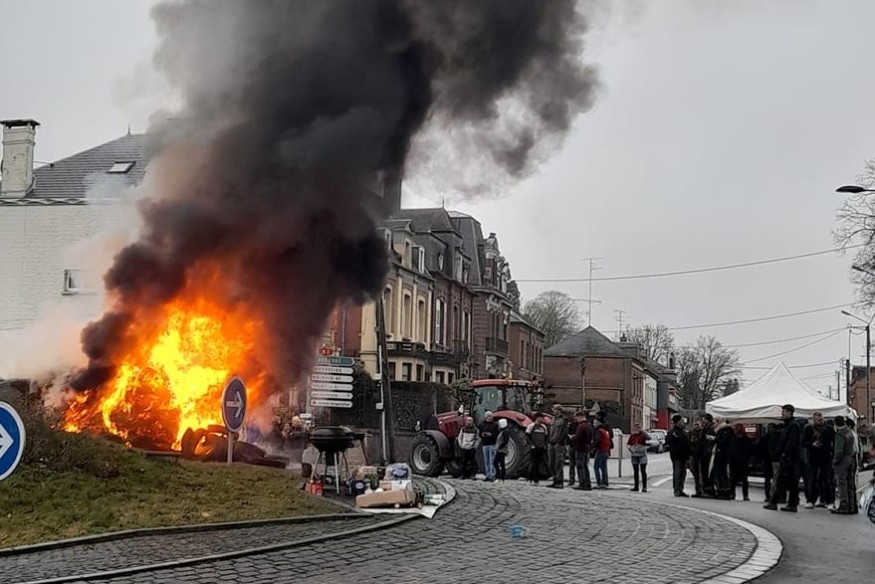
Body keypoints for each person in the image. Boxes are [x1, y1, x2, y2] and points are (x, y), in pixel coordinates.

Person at [764, 404, 802, 512]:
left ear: (790, 412)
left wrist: (785, 454)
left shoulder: (792, 425)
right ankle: (784, 503)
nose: (782, 414)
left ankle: (779, 503)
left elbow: (791, 442)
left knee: (786, 481)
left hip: (789, 458)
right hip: (788, 457)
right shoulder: (788, 425)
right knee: (786, 481)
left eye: (784, 412)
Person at [802, 412, 834, 509]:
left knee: (826, 479)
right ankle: (811, 500)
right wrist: (812, 444)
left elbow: (833, 441)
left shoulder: (829, 429)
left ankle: (829, 501)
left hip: (825, 456)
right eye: (818, 419)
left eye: (821, 419)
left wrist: (830, 450)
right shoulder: (808, 429)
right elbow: (803, 442)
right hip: (813, 456)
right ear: (814, 420)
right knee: (813, 478)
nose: (821, 421)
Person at [832, 415, 857, 514]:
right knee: (851, 484)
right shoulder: (849, 432)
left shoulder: (840, 434)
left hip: (842, 461)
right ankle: (852, 506)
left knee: (842, 484)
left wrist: (834, 461)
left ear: (835, 424)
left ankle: (844, 505)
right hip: (851, 458)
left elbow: (839, 451)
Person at [666, 414, 691, 497]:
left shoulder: (683, 431)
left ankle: (681, 489)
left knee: (683, 473)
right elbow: (669, 444)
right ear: (677, 422)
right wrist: (676, 449)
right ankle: (677, 489)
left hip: (684, 455)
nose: (683, 422)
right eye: (682, 421)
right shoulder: (673, 432)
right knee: (678, 472)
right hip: (677, 456)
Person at [693, 414, 717, 498]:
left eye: (705, 419)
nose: (703, 421)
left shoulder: (710, 430)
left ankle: (710, 491)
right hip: (702, 455)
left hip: (707, 455)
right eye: (702, 419)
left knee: (707, 474)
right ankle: (705, 490)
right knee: (703, 473)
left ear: (709, 420)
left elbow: (710, 443)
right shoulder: (705, 429)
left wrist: (707, 452)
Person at [729, 423, 754, 501]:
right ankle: (732, 494)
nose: (737, 430)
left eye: (739, 428)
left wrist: (750, 461)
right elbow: (729, 450)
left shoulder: (746, 439)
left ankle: (745, 495)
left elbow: (751, 451)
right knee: (732, 479)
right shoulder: (732, 438)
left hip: (744, 462)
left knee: (744, 479)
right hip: (733, 461)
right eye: (736, 428)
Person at [547, 405, 569, 488]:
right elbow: (549, 431)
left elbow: (564, 432)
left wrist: (559, 442)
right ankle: (554, 479)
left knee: (558, 463)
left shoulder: (563, 420)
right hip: (551, 443)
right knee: (551, 463)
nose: (554, 411)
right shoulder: (552, 419)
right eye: (553, 409)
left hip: (558, 445)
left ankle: (559, 481)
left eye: (555, 409)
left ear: (559, 410)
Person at [570, 411, 593, 490]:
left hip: (580, 448)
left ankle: (582, 484)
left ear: (580, 416)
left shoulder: (581, 426)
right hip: (586, 447)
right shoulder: (589, 425)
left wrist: (572, 438)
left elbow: (578, 437)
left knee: (580, 466)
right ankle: (587, 484)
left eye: (576, 417)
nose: (576, 419)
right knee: (585, 466)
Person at [713, 418, 734, 499]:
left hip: (723, 455)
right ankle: (722, 490)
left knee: (723, 474)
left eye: (717, 421)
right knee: (720, 474)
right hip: (720, 455)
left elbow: (724, 442)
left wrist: (714, 439)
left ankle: (725, 491)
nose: (715, 423)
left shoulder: (726, 431)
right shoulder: (720, 430)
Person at [525, 413, 548, 485]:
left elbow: (546, 437)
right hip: (534, 447)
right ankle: (529, 479)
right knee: (532, 463)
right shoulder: (531, 426)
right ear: (537, 418)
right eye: (541, 417)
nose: (542, 419)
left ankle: (536, 480)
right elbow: (527, 436)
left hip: (541, 448)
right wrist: (531, 444)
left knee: (538, 464)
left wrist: (544, 445)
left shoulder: (544, 427)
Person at [478, 411, 500, 482]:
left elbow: (497, 434)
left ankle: (492, 475)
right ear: (485, 417)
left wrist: (491, 435)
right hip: (485, 445)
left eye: (491, 416)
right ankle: (487, 475)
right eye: (489, 416)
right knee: (486, 461)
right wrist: (482, 435)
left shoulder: (495, 425)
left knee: (492, 461)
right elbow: (479, 433)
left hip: (492, 444)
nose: (490, 418)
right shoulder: (481, 425)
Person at [627, 423, 649, 492]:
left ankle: (644, 487)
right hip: (634, 455)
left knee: (643, 470)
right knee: (635, 471)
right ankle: (636, 486)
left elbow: (649, 437)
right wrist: (630, 449)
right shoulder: (632, 435)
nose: (637, 429)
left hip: (642, 455)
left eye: (638, 427)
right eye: (636, 427)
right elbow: (628, 443)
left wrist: (642, 431)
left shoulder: (643, 434)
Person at [593, 418, 611, 489]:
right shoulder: (605, 431)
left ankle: (599, 483)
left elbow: (597, 440)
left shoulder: (598, 431)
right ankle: (605, 482)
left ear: (599, 423)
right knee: (604, 467)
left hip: (600, 450)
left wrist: (593, 447)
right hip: (606, 450)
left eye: (595, 423)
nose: (593, 424)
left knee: (596, 467)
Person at [688, 420, 703, 496]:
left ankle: (701, 490)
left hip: (700, 455)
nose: (696, 426)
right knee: (695, 472)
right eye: (695, 425)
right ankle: (698, 490)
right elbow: (688, 443)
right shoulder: (691, 432)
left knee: (700, 473)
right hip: (693, 455)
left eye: (698, 424)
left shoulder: (703, 432)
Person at [566, 411, 580, 485]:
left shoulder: (581, 425)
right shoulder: (571, 424)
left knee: (579, 464)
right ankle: (571, 479)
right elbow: (567, 433)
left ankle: (580, 479)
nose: (575, 418)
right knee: (571, 464)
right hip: (571, 445)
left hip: (578, 446)